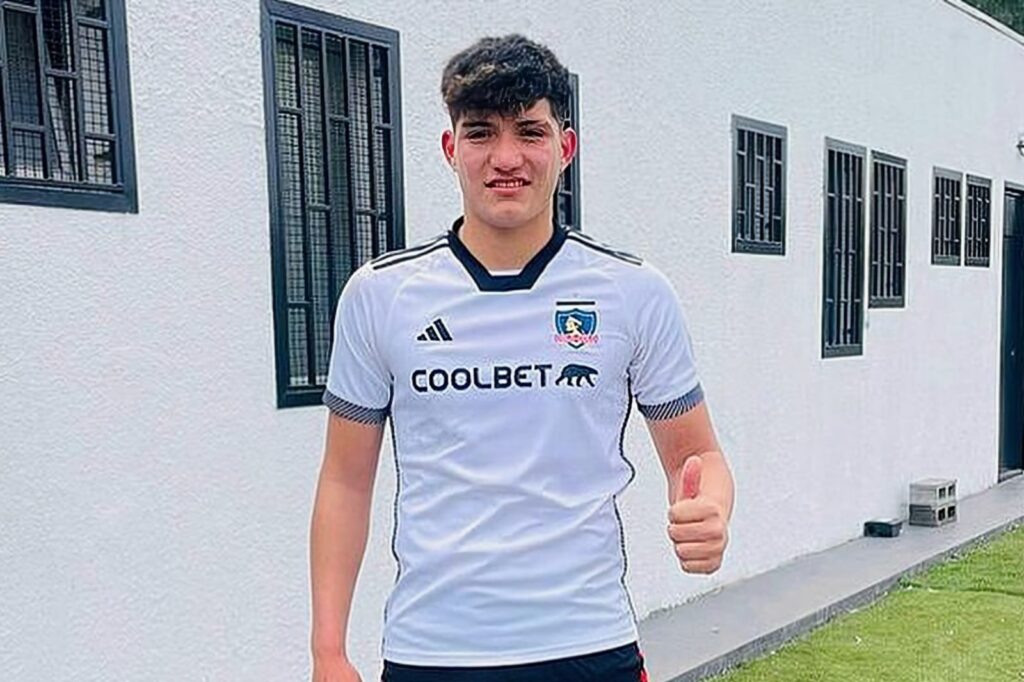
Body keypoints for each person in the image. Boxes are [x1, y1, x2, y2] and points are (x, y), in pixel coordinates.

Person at [309, 34, 735, 682]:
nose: (506, 157)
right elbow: (345, 481)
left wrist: (710, 510)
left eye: (529, 132)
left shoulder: (633, 292)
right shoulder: (381, 296)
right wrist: (328, 650)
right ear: (452, 149)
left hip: (589, 647)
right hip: (433, 653)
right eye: (481, 133)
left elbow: (694, 457)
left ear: (565, 147)